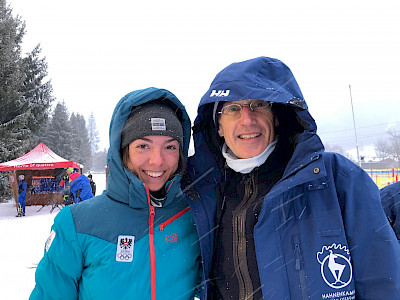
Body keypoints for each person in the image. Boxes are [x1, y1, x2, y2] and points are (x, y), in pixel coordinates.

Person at [185, 57, 400, 299]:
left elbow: (382, 282)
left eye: (258, 104)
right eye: (233, 109)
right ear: (219, 127)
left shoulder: (338, 179)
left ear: (276, 117)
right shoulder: (203, 193)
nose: (247, 119)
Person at [30, 87, 200, 300]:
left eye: (170, 147)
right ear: (123, 151)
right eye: (143, 146)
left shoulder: (194, 216)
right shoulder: (76, 223)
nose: (157, 160)